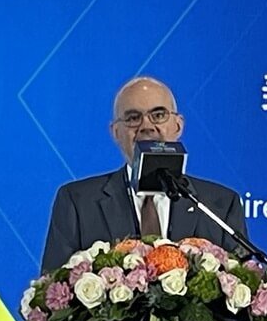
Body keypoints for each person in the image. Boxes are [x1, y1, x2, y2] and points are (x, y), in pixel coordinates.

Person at [41, 76, 247, 272]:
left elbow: (243, 281)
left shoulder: (220, 204)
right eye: (133, 118)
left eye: (158, 115)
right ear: (116, 132)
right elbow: (53, 289)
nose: (147, 126)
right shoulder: (78, 201)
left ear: (178, 126)